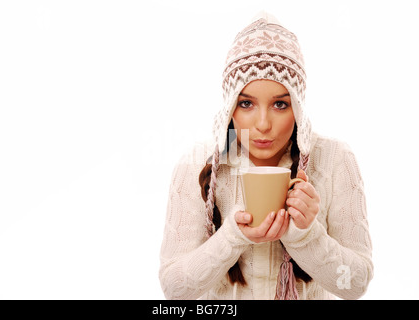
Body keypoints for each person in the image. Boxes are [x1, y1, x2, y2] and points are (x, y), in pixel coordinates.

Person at [159, 12, 373, 300]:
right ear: (230, 108)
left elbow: (355, 285)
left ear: (297, 105)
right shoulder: (197, 161)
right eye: (246, 103)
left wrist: (306, 234)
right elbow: (174, 289)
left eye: (280, 104)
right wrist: (233, 237)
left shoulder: (335, 159)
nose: (262, 124)